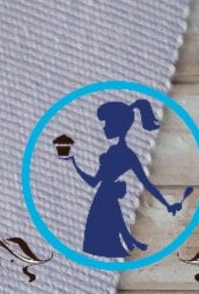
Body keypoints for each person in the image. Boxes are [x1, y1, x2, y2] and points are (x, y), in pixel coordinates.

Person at [60, 98, 185, 259]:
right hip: (102, 200)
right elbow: (93, 182)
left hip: (104, 200)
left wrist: (167, 204)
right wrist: (74, 163)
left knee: (103, 246)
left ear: (117, 126)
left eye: (106, 123)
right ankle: (130, 242)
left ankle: (128, 244)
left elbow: (145, 182)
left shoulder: (126, 155)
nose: (104, 127)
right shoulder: (114, 152)